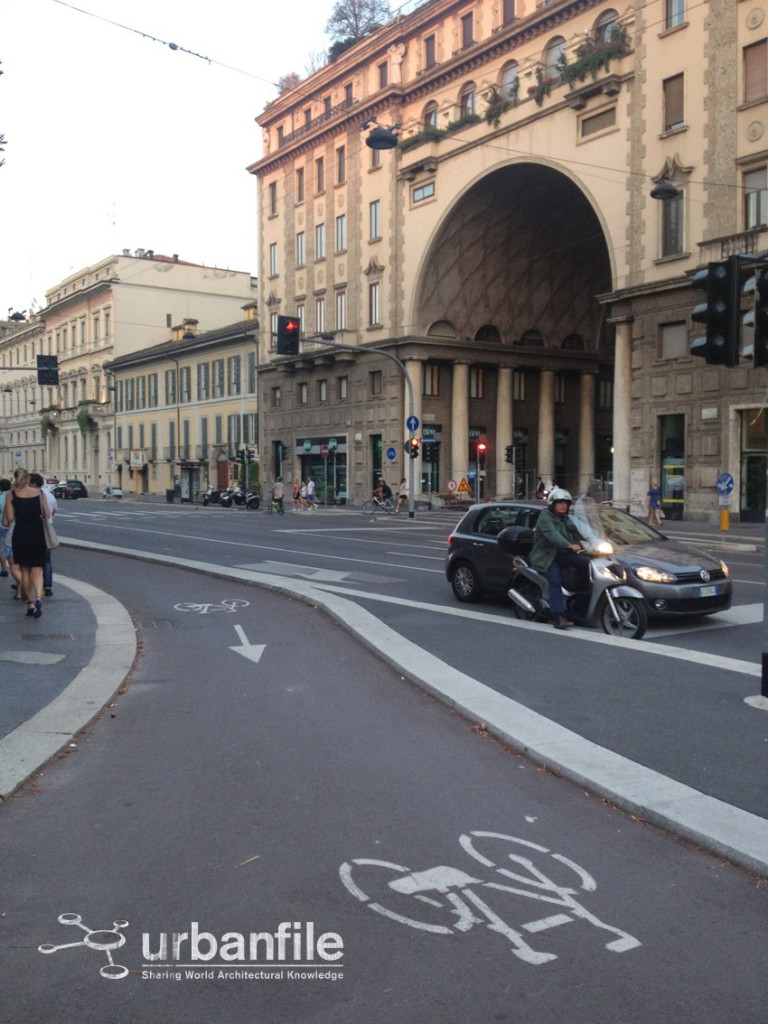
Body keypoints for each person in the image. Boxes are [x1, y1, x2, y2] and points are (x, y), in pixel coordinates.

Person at [528, 488, 589, 630]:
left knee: (586, 566)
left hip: (561, 554)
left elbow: (578, 529)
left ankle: (579, 609)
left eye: (566, 503)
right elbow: (552, 535)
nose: (563, 505)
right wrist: (569, 545)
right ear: (552, 504)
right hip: (546, 556)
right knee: (555, 580)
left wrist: (593, 539)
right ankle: (559, 616)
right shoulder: (545, 517)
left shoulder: (565, 518)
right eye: (560, 502)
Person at [2, 467, 51, 619]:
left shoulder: (11, 494)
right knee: (38, 570)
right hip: (37, 533)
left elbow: (8, 520)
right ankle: (38, 599)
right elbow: (46, 513)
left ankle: (30, 603)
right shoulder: (39, 493)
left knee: (24, 570)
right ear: (28, 478)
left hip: (20, 533)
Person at [31, 473, 56, 596]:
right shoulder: (50, 495)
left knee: (31, 561)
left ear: (34, 483)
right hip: (47, 529)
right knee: (47, 560)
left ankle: (30, 585)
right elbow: (53, 512)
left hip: (35, 530)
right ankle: (47, 585)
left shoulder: (30, 495)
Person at [0, 478, 11, 580]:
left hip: (1, 525)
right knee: (12, 548)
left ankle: (4, 569)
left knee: (2, 549)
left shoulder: (0, 497)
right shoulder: (13, 496)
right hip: (12, 525)